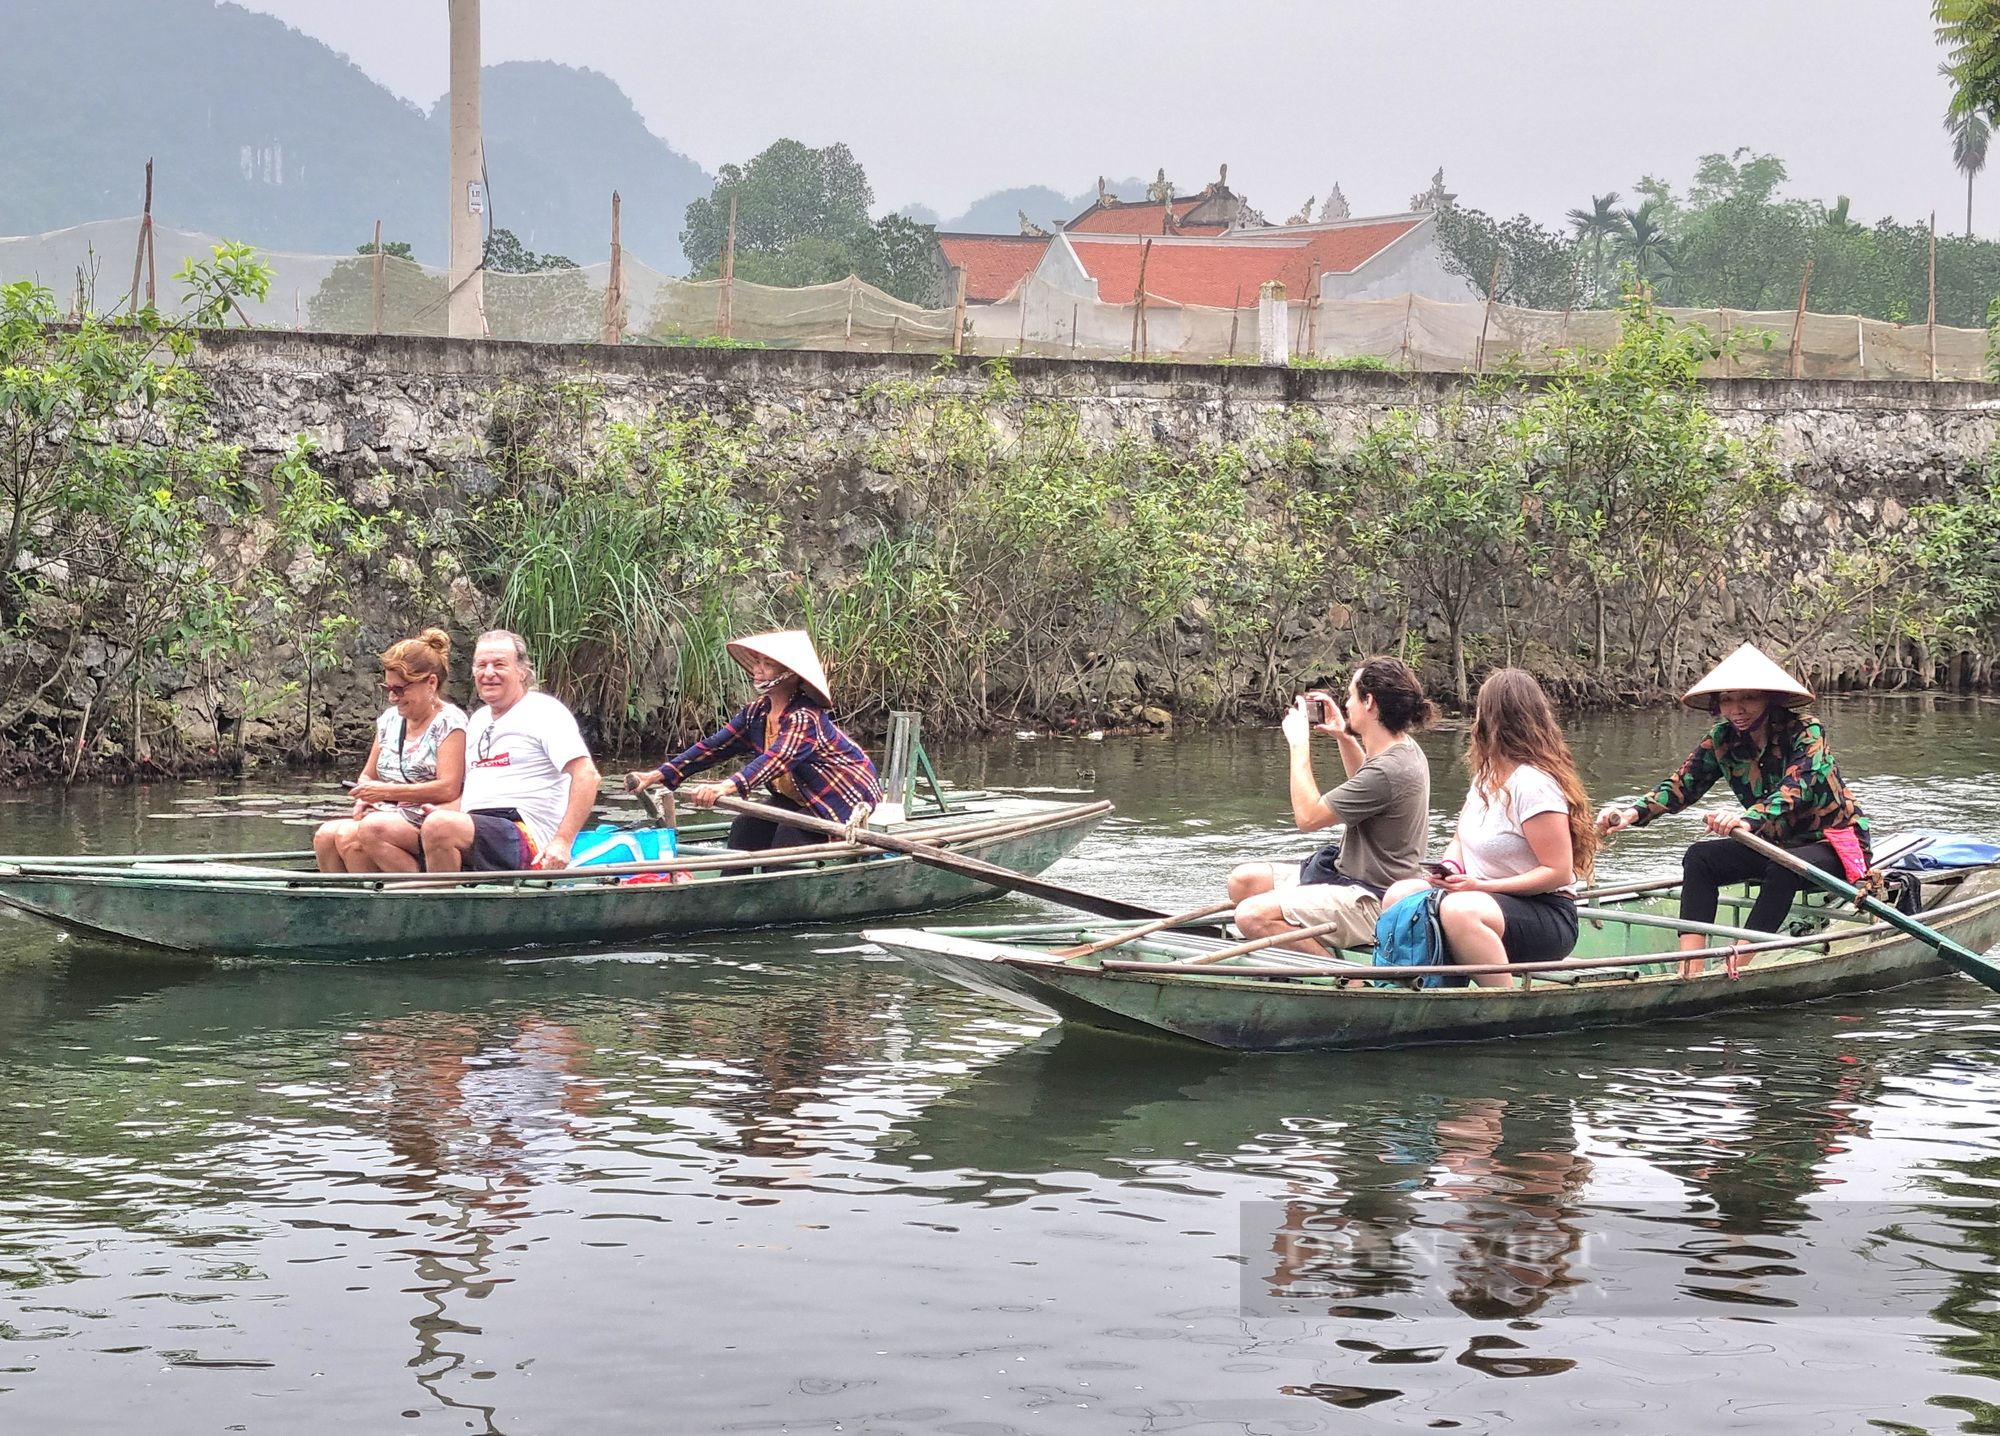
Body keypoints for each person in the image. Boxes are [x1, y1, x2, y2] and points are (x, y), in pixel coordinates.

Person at [1595, 642, 1869, 950]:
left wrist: (1746, 820)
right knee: (1700, 857)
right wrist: (1631, 814)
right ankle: (1690, 966)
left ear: (1770, 699)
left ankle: (1739, 960)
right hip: (1773, 842)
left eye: (1748, 698)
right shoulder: (1721, 739)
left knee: (1784, 866)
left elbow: (1796, 787)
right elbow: (1683, 784)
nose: (1736, 710)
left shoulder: (1807, 731)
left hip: (1832, 842)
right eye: (1727, 700)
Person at [1381, 668, 1595, 988]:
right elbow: (1459, 837)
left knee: (1458, 910)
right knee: (1399, 894)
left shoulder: (1534, 784)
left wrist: (1480, 887)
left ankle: (1503, 1002)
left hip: (1545, 914)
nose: (1474, 719)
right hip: (1482, 899)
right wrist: (1450, 870)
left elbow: (1559, 872)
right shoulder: (1487, 777)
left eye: (1479, 710)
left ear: (1492, 720)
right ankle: (1419, 987)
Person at [1227, 656, 1435, 956]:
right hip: (1347, 875)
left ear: (1369, 702)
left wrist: (1299, 746)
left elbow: (1308, 818)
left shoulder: (1391, 769)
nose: (1346, 704)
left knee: (1251, 915)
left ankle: (1343, 977)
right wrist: (1343, 735)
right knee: (1242, 882)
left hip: (1372, 899)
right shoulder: (1402, 749)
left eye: (1350, 695)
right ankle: (1299, 942)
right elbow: (1369, 788)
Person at [626, 629, 881, 852]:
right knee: (744, 827)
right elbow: (715, 746)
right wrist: (657, 775)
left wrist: (725, 786)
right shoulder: (757, 712)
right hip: (798, 794)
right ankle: (733, 889)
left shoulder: (805, 716)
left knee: (789, 836)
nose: (757, 670)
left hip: (841, 795)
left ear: (790, 675)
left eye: (767, 664)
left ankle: (777, 896)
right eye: (757, 662)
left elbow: (777, 759)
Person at [418, 630, 601, 872]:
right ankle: (404, 901)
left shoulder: (544, 712)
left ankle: (442, 905)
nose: (488, 673)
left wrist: (562, 841)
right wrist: (445, 809)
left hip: (528, 833)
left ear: (522, 671)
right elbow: (480, 792)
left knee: (439, 826)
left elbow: (588, 775)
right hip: (477, 827)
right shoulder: (479, 720)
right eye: (481, 665)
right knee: (367, 832)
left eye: (499, 664)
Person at [314, 629, 468, 873]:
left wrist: (385, 791)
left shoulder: (450, 722)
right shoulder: (389, 721)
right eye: (389, 689)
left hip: (429, 816)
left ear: (431, 683)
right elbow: (367, 776)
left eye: (401, 690)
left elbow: (447, 787)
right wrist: (365, 795)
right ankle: (352, 904)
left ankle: (413, 895)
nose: (393, 698)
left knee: (360, 833)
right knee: (326, 836)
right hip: (387, 813)